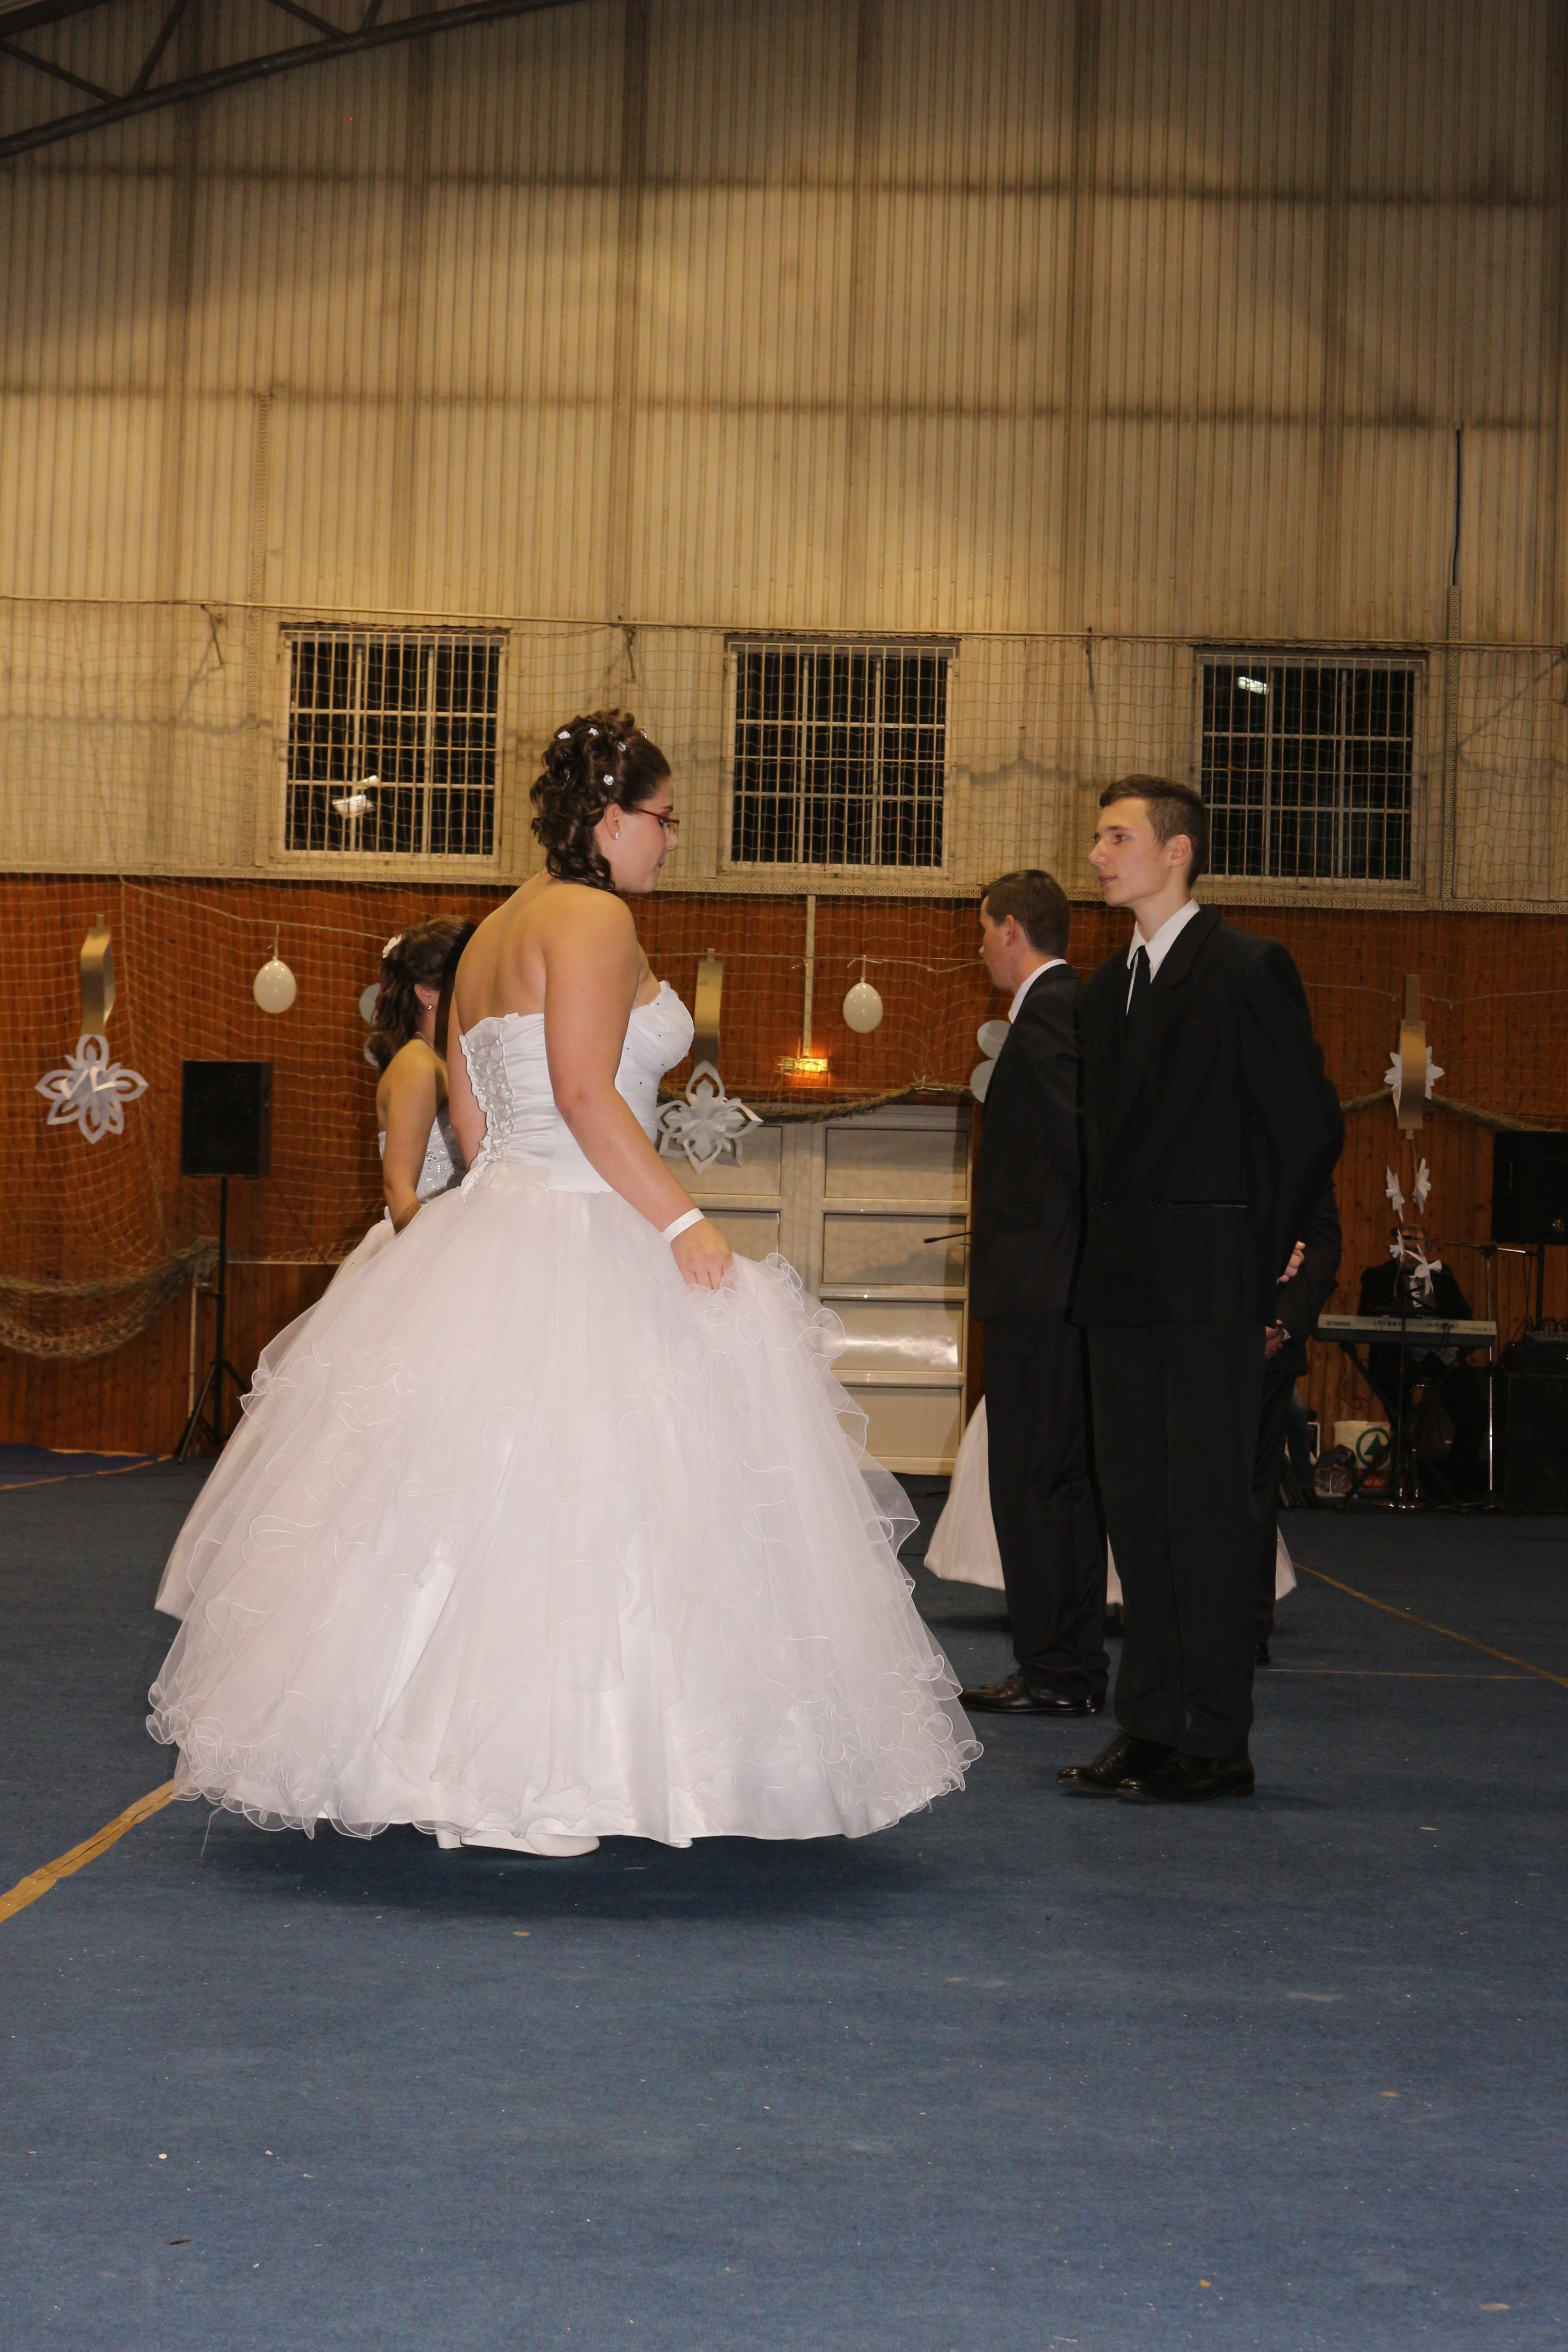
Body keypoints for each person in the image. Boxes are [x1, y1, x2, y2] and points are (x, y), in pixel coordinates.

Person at [149, 710, 976, 1856]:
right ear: (609, 816)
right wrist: (683, 1220)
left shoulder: (493, 931)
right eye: (664, 819)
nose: (672, 840)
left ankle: (433, 1758)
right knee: (606, 1501)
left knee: (476, 1507)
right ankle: (569, 1776)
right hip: (590, 1221)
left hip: (498, 1221)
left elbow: (474, 1120)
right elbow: (587, 1097)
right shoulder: (593, 917)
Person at [1059, 777, 1342, 1805]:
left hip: (1213, 1285)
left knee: (1208, 1514)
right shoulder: (1104, 989)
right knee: (1137, 1511)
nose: (1098, 854)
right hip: (1122, 1289)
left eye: (1116, 836)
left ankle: (1214, 1738)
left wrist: (1261, 1259)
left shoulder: (1246, 967)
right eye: (1098, 837)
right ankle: (1148, 1724)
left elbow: (1306, 1126)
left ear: (1176, 851)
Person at [956, 870, 1107, 1718]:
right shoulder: (1068, 1008)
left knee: (1034, 1483)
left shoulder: (1047, 1013)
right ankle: (1068, 1664)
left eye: (984, 928)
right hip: (1059, 1289)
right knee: (1064, 1483)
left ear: (1012, 928)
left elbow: (1082, 1149)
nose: (980, 945)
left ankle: (1054, 1668)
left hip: (1041, 1292)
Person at [1254, 1184, 1342, 1663]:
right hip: (1189, 1338)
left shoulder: (1302, 1157)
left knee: (1255, 1489)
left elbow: (1323, 1245)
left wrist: (1281, 1325)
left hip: (1268, 1349)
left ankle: (1247, 1627)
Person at [1358, 1227, 1490, 1499]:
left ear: (1427, 1248)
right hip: (1399, 1354)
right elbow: (1367, 1316)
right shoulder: (1378, 1276)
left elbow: (1463, 1314)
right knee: (1400, 1410)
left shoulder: (1442, 1275)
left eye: (1415, 1240)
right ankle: (1407, 1475)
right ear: (1393, 1247)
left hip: (1440, 1355)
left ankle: (1450, 1486)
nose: (1409, 1245)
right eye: (1403, 1240)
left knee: (1475, 1412)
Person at [368, 917, 471, 1230]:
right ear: (427, 992)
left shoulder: (443, 1058)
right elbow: (398, 1187)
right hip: (429, 1237)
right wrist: (432, 1256)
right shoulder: (418, 1065)